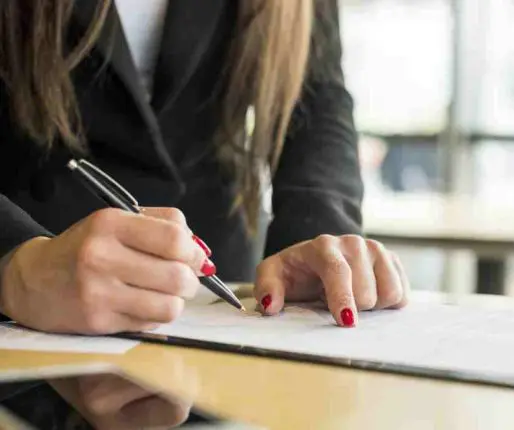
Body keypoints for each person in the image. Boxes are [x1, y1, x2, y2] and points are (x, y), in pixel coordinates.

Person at [0, 0, 409, 335]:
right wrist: (14, 264)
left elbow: (316, 96)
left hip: (217, 291)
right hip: (37, 288)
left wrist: (319, 241)